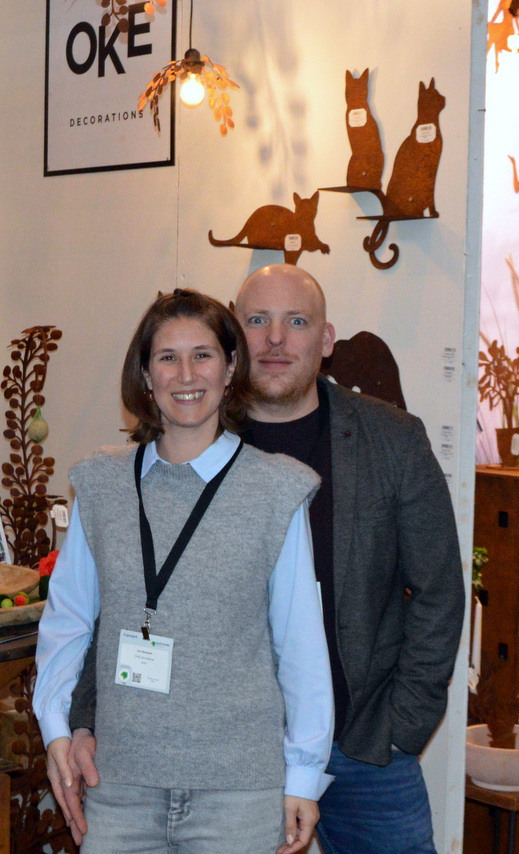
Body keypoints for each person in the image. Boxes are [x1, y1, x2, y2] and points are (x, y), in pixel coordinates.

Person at [63, 265, 464, 853]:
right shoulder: (189, 432)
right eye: (257, 321)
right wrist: (87, 716)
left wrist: (404, 725)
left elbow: (438, 590)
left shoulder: (391, 439)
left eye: (296, 322)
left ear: (326, 340)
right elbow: (126, 597)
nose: (275, 339)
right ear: (233, 339)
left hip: (362, 743)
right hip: (227, 757)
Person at [33, 288, 334, 854]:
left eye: (203, 355)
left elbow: (300, 647)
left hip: (239, 798)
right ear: (146, 376)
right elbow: (67, 622)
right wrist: (56, 729)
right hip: (119, 789)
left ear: (230, 368)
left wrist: (303, 776)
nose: (187, 374)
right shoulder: (100, 485)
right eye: (168, 357)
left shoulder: (277, 489)